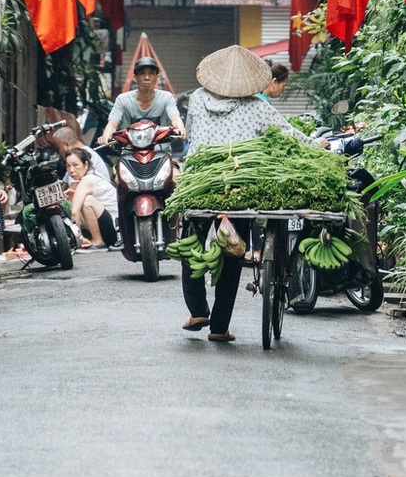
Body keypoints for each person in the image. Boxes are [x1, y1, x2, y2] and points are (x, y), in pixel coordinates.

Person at [181, 45, 326, 344]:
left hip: (199, 182)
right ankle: (219, 327)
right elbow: (288, 134)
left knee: (191, 245)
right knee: (231, 252)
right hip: (238, 187)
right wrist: (318, 145)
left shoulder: (196, 99)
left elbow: (191, 134)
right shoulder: (258, 107)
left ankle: (198, 310)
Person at [97, 56, 186, 145]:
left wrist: (180, 128)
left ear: (157, 78)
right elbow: (112, 124)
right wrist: (106, 136)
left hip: (161, 152)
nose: (147, 77)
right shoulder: (123, 100)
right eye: (142, 73)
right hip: (129, 152)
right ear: (135, 78)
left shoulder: (166, 97)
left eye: (151, 73)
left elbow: (175, 118)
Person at [65, 148, 118, 251]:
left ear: (85, 165)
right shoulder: (91, 176)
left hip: (116, 231)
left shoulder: (87, 181)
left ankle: (98, 242)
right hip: (111, 227)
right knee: (80, 200)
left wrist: (79, 239)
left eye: (76, 165)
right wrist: (75, 194)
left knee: (86, 201)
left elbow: (74, 212)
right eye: (68, 166)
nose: (71, 170)